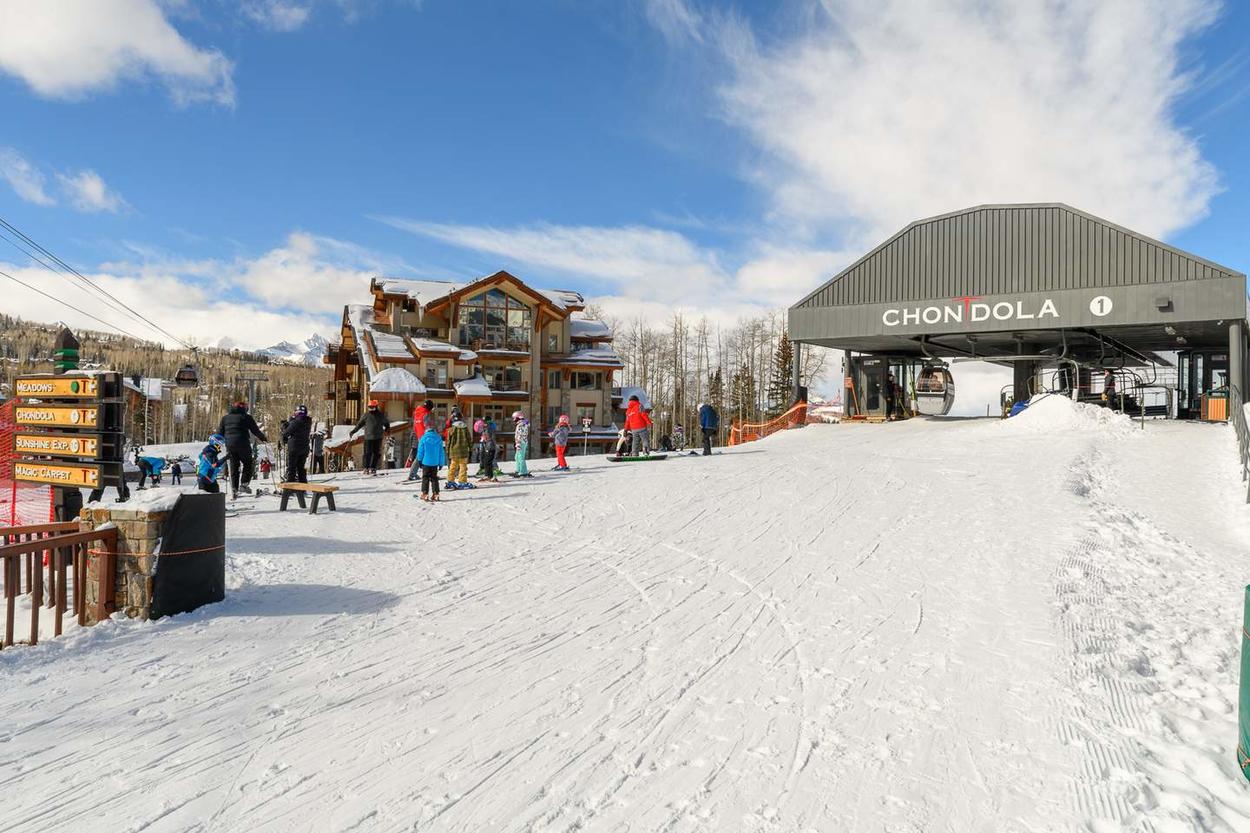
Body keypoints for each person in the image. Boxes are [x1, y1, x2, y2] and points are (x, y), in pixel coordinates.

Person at [218, 400, 268, 498]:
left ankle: (234, 488)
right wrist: (263, 438)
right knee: (248, 463)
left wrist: (220, 444)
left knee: (234, 466)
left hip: (230, 445)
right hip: (243, 443)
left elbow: (220, 433)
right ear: (244, 408)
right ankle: (244, 484)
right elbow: (255, 430)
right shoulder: (246, 417)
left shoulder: (225, 418)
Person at [352, 399, 390, 476]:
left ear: (376, 407)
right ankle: (366, 467)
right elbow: (359, 424)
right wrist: (353, 431)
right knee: (367, 453)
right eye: (369, 407)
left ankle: (373, 467)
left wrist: (387, 429)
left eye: (372, 407)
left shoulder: (380, 415)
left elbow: (386, 423)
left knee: (376, 453)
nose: (371, 409)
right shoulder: (366, 415)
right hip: (368, 438)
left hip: (378, 437)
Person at [415, 422, 446, 502]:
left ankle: (425, 493)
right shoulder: (438, 438)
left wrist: (419, 460)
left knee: (425, 478)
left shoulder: (423, 438)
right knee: (434, 478)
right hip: (435, 463)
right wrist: (441, 463)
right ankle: (436, 494)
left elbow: (420, 451)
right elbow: (441, 452)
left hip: (426, 462)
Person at [282, 404, 312, 483]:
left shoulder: (295, 422)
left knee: (292, 468)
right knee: (301, 468)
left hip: (294, 448)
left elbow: (286, 433)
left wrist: (284, 426)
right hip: (304, 448)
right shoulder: (308, 421)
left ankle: (290, 488)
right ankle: (303, 487)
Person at [445, 409, 474, 490]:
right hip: (463, 452)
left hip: (453, 452)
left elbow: (448, 442)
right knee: (463, 467)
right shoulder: (465, 428)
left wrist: (447, 451)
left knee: (453, 466)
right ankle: (462, 481)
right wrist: (470, 450)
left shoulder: (451, 429)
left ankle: (450, 481)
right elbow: (469, 440)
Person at [476, 418, 500, 482]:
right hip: (488, 447)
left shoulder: (488, 429)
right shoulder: (486, 430)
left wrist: (484, 438)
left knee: (488, 462)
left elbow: (490, 438)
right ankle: (487, 475)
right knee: (486, 462)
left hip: (491, 448)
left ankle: (491, 476)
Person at [511, 410, 532, 477]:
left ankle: (523, 471)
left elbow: (520, 434)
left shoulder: (521, 425)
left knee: (520, 457)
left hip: (521, 442)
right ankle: (518, 470)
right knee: (517, 457)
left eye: (515, 418)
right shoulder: (522, 424)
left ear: (518, 417)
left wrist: (518, 443)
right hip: (521, 442)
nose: (514, 420)